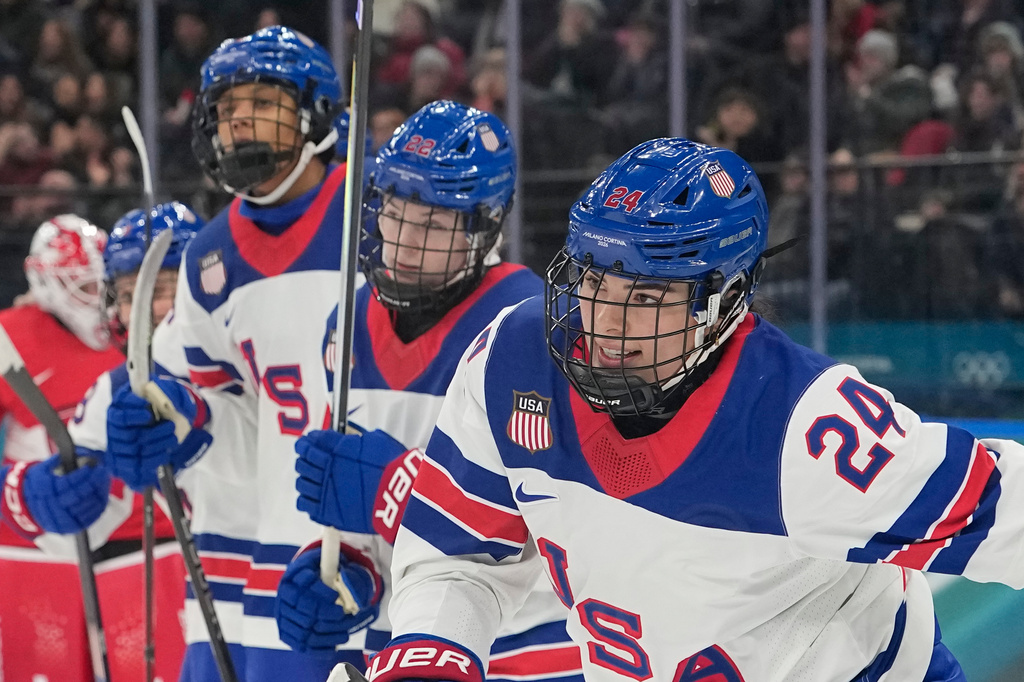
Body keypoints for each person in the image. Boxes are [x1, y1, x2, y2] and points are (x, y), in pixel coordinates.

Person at [352, 139, 1024, 682]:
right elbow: (459, 551)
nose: (604, 324)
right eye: (592, 280)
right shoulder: (512, 365)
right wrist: (432, 649)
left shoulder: (806, 428)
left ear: (723, 301)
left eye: (644, 300)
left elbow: (1010, 513)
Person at [273, 100, 583, 681]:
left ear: (485, 227)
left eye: (435, 224)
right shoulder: (348, 325)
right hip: (404, 653)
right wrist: (345, 573)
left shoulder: (534, 328)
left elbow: (559, 520)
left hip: (526, 658)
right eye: (395, 211)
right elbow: (355, 509)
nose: (404, 240)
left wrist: (394, 492)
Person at [103, 25, 360, 680]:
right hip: (277, 562)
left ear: (317, 113)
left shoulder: (379, 214)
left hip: (399, 557)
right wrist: (169, 420)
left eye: (260, 103)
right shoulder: (211, 255)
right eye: (225, 109)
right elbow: (214, 402)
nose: (238, 121)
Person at [3, 202, 207, 680]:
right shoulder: (16, 339)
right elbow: (84, 486)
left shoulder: (258, 351)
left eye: (161, 289)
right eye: (126, 293)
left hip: (206, 556)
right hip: (87, 558)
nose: (145, 310)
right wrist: (25, 494)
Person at [0, 213, 125, 681]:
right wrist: (19, 489)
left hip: (135, 542)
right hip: (36, 546)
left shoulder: (131, 330)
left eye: (104, 284)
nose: (100, 301)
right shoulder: (11, 334)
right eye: (84, 286)